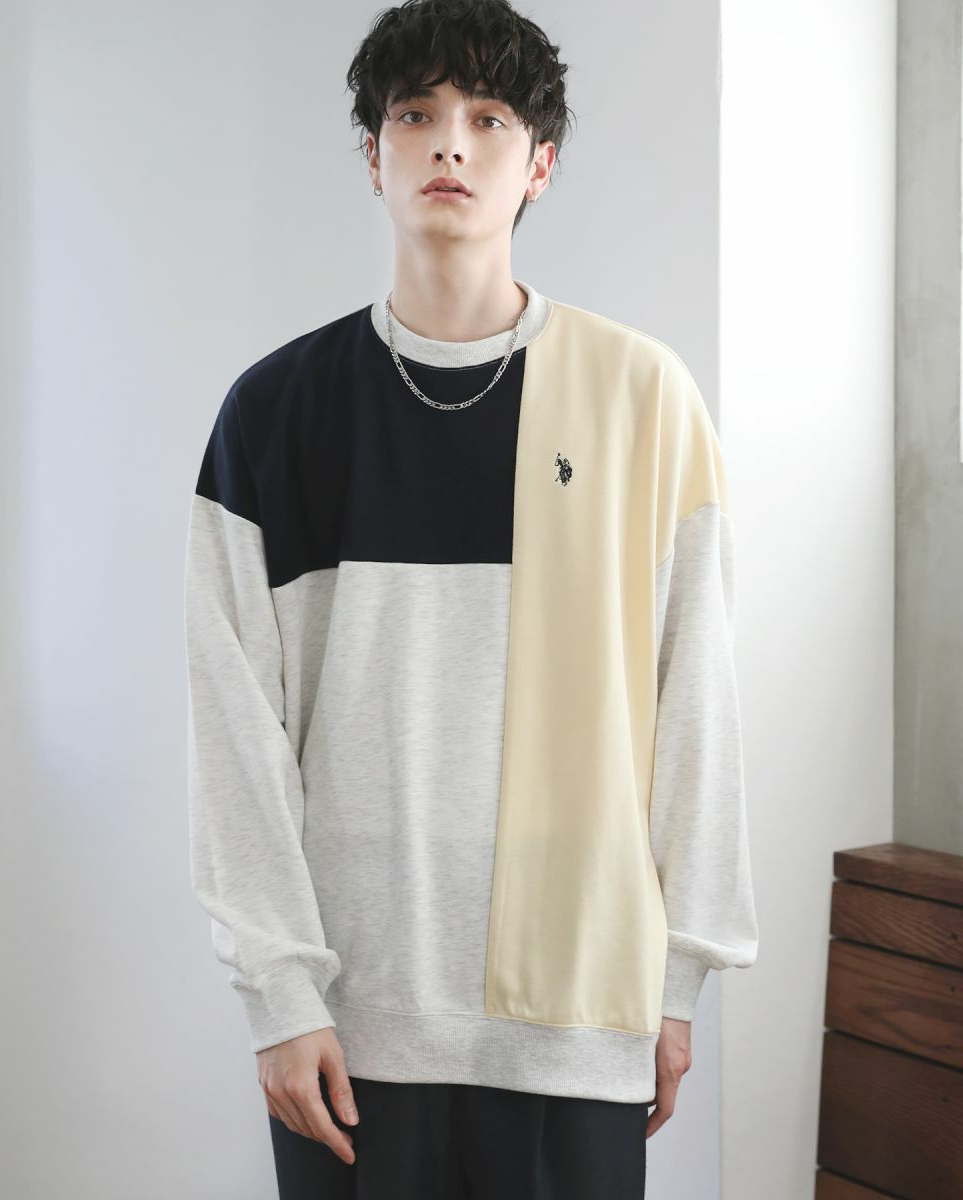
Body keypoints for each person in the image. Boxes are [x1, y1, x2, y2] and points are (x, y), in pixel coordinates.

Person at [182, 0, 759, 1196]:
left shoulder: (642, 399)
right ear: (373, 154)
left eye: (488, 118)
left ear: (538, 164)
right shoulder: (273, 414)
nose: (450, 141)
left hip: (577, 1010)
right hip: (350, 1020)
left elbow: (694, 700)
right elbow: (233, 728)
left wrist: (677, 981)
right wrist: (279, 994)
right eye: (416, 114)